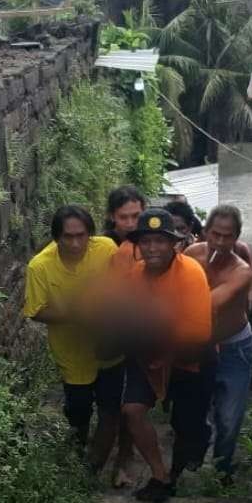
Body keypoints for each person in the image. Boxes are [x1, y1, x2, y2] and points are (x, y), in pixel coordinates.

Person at [94, 209, 213, 503]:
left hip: (189, 357)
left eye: (160, 241)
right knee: (131, 411)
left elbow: (197, 333)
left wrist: (166, 352)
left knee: (186, 426)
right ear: (138, 245)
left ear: (173, 243)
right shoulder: (136, 275)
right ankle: (160, 475)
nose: (152, 248)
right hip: (149, 354)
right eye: (146, 242)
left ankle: (180, 466)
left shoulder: (191, 274)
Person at [23, 206, 121, 451]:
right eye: (68, 237)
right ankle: (76, 453)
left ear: (90, 234)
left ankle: (97, 463)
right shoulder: (40, 267)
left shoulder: (107, 249)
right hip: (71, 351)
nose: (76, 243)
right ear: (57, 238)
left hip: (110, 346)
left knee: (111, 407)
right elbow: (36, 311)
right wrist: (75, 314)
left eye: (81, 235)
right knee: (79, 410)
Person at [185, 205, 252, 477]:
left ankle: (222, 468)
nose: (221, 242)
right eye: (216, 235)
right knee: (195, 408)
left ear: (237, 236)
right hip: (197, 346)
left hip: (234, 346)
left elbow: (207, 305)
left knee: (229, 415)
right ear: (205, 233)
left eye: (228, 236)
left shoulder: (241, 271)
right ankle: (193, 458)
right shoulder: (190, 255)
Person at [100, 185, 146, 486]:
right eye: (123, 217)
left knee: (132, 399)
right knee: (110, 400)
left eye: (136, 216)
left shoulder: (152, 242)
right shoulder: (103, 247)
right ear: (111, 217)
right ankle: (102, 453)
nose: (130, 223)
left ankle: (125, 457)